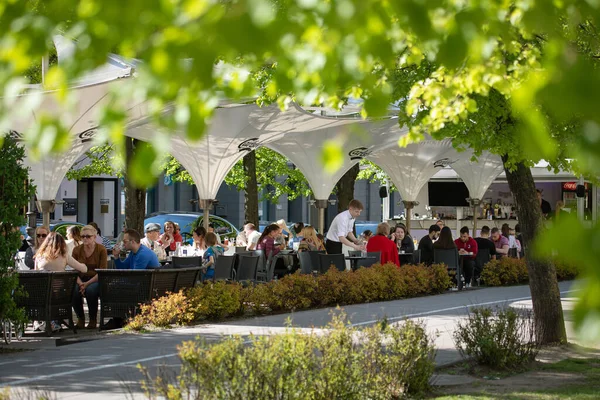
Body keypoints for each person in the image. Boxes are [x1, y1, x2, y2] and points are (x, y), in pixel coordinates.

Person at [71, 225, 107, 329]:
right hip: (80, 279)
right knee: (73, 290)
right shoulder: (77, 250)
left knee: (91, 290)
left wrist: (86, 284)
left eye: (88, 236)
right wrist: (81, 283)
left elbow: (101, 272)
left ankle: (92, 319)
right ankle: (80, 319)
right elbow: (74, 271)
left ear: (95, 237)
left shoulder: (101, 249)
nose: (85, 239)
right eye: (83, 236)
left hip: (96, 279)